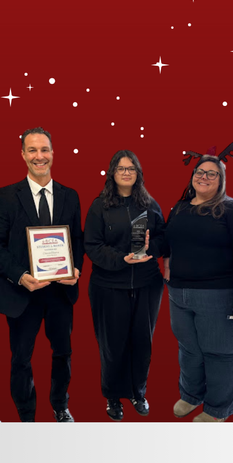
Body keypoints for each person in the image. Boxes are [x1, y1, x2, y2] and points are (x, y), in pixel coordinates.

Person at [0, 127, 83, 422]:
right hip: (21, 293)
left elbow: (76, 240)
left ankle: (60, 405)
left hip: (60, 293)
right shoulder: (5, 196)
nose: (39, 156)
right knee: (21, 359)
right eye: (32, 150)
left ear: (53, 153)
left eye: (44, 150)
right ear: (23, 155)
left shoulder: (71, 195)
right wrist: (20, 276)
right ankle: (26, 415)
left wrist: (75, 268)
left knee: (63, 354)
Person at [164, 155, 233, 422]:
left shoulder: (232, 211)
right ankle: (192, 395)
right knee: (189, 349)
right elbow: (169, 247)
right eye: (199, 172)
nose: (203, 177)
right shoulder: (180, 207)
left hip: (218, 296)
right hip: (178, 294)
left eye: (211, 174)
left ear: (222, 180)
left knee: (219, 352)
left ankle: (218, 409)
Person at [83, 150, 166, 421]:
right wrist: (122, 259)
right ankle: (112, 397)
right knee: (113, 344)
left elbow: (165, 241)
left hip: (146, 286)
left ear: (138, 173)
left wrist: (148, 247)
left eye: (131, 168)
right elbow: (92, 246)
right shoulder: (99, 206)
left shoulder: (151, 205)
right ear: (112, 173)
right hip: (109, 286)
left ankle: (137, 392)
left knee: (143, 342)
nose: (127, 172)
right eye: (121, 168)